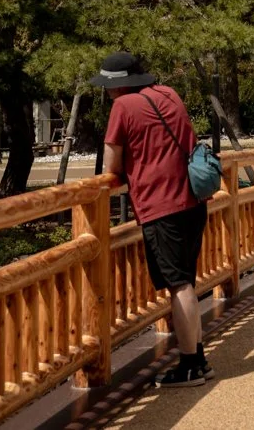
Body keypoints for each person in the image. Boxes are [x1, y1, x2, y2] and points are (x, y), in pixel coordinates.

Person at [96, 52, 214, 388]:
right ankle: (199, 360)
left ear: (119, 84)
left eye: (109, 86)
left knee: (178, 286)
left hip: (161, 206)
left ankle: (190, 364)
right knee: (186, 281)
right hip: (192, 199)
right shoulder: (168, 93)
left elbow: (111, 166)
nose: (107, 92)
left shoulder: (123, 107)